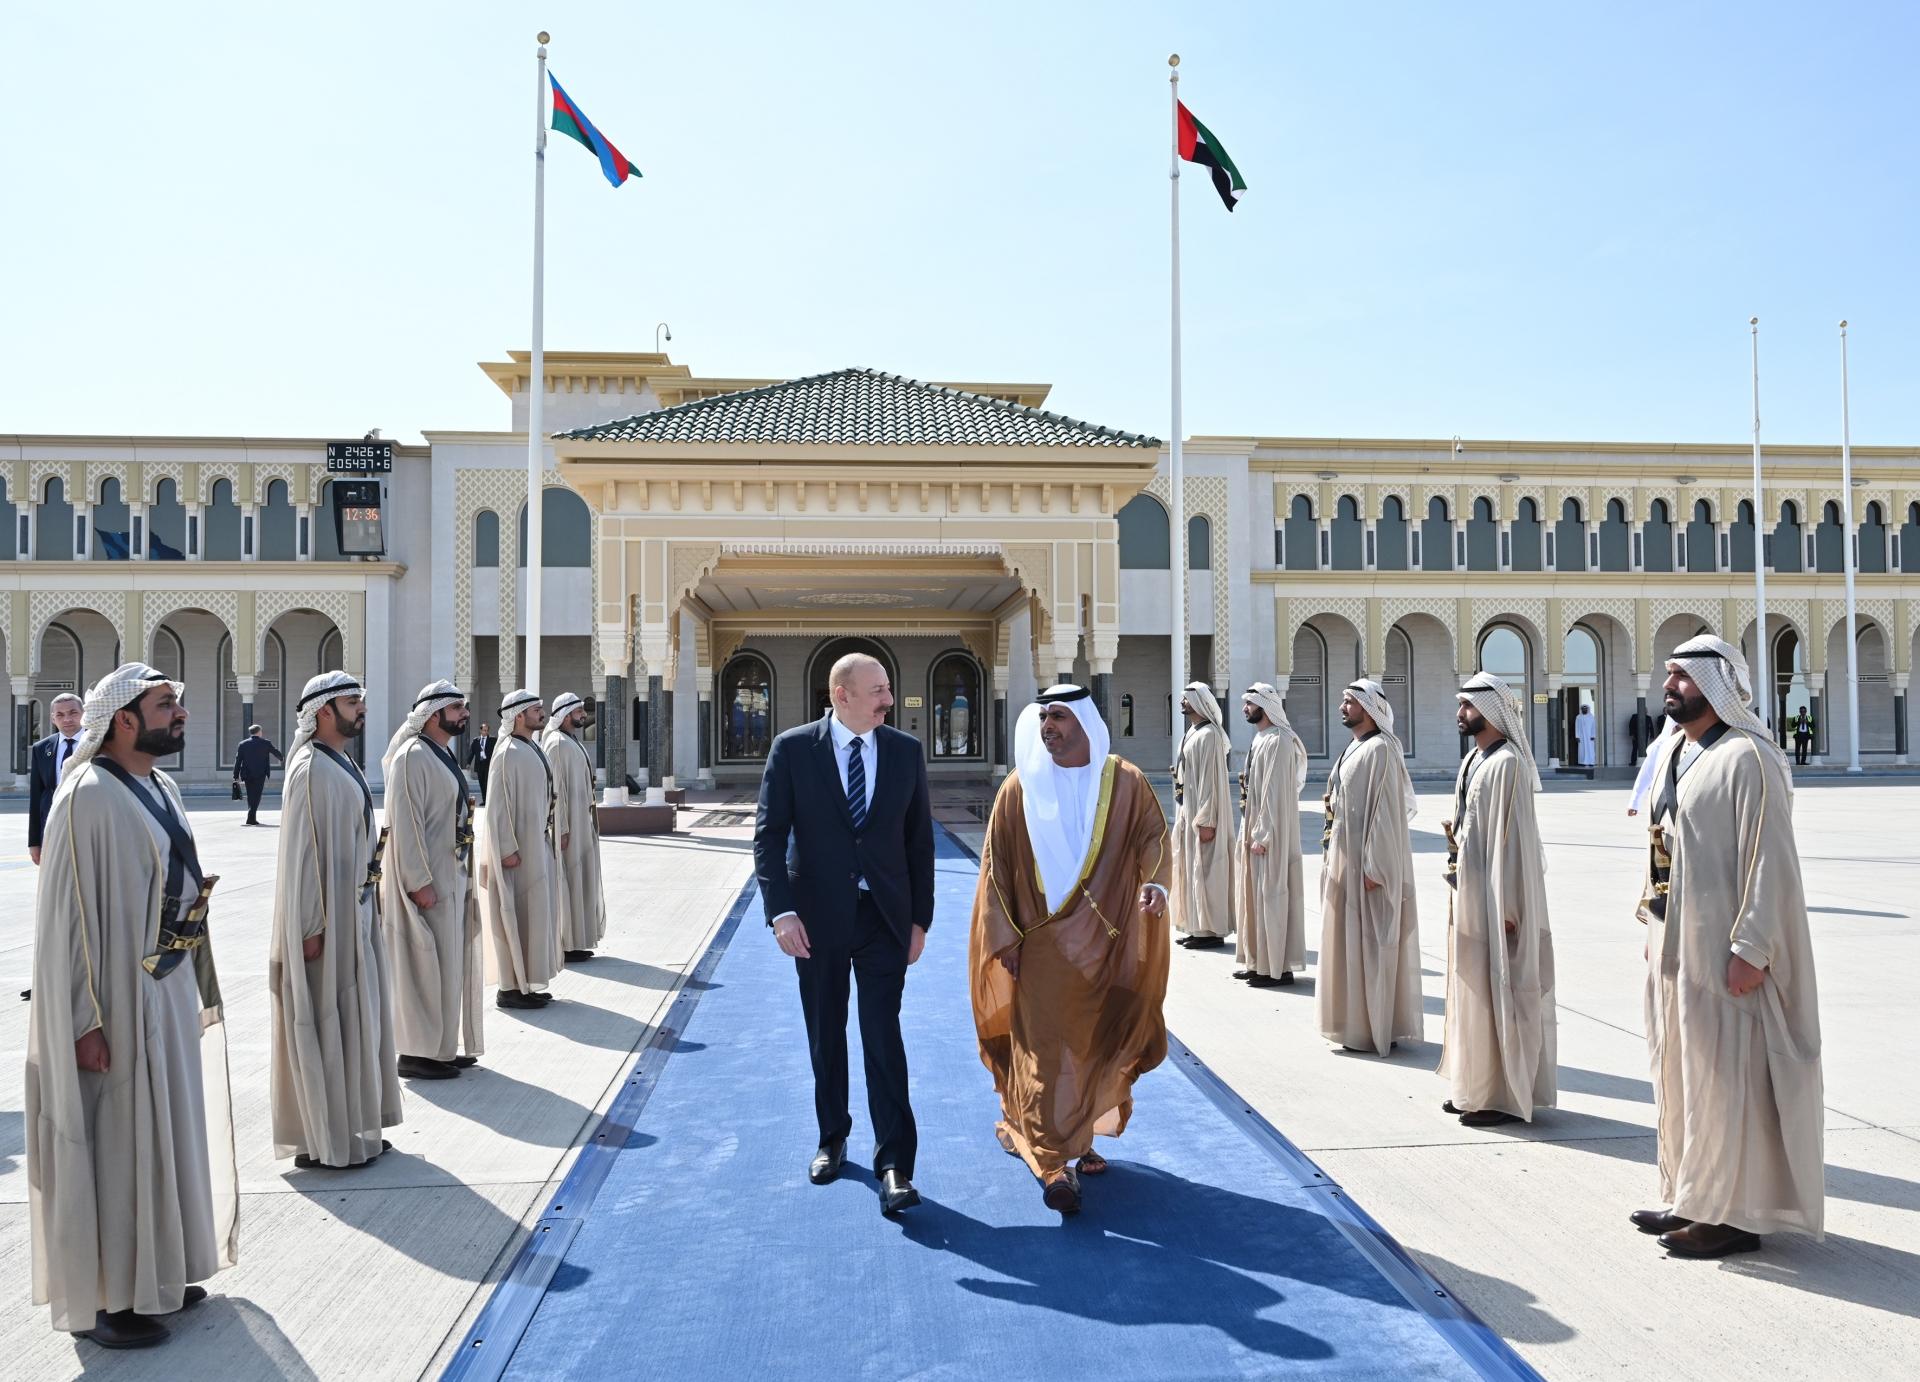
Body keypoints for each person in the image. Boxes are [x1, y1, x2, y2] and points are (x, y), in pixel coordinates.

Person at [25, 663, 238, 1348]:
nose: (180, 713)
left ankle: (160, 1271)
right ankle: (110, 1299)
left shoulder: (161, 786)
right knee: (117, 1142)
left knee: (165, 1132)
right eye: (165, 704)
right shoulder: (86, 794)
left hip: (163, 987)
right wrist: (83, 1020)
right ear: (123, 719)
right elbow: (68, 922)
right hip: (113, 1002)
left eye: (177, 702)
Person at [1633, 635, 1823, 1259]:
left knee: (1727, 1080)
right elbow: (1663, 843)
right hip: (1675, 942)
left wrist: (1753, 947)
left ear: (1719, 685)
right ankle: (1692, 1194)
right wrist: (1652, 915)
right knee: (1683, 1072)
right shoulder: (1677, 752)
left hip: (1725, 952)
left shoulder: (1749, 756)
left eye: (1683, 676)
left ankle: (1733, 1217)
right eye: (1669, 674)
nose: (1670, 685)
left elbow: (1772, 861)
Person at [969, 685, 1170, 1214]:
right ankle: (1053, 1162)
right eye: (1043, 718)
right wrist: (1005, 937)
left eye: (1058, 717)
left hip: (1107, 945)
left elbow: (1153, 836)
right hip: (1039, 944)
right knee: (1046, 1049)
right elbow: (995, 868)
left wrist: (1156, 882)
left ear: (1085, 722)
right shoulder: (1019, 788)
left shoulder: (1124, 782)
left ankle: (1080, 1136)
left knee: (1094, 1043)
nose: (1048, 727)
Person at [754, 652, 933, 1217]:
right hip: (815, 920)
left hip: (884, 919)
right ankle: (832, 1137)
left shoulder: (905, 751)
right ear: (841, 695)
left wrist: (920, 920)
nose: (888, 700)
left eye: (888, 688)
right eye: (878, 690)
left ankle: (895, 1164)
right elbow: (769, 835)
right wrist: (781, 913)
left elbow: (918, 843)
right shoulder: (792, 750)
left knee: (883, 1036)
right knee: (825, 1033)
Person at [267, 671, 401, 1170]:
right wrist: (309, 926)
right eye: (351, 702)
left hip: (354, 912)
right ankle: (324, 1139)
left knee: (355, 1021)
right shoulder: (310, 769)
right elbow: (302, 855)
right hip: (326, 925)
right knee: (326, 1022)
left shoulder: (336, 762)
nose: (361, 709)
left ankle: (350, 1127)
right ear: (323, 711)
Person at [1439, 672, 1557, 1127]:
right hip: (1471, 894)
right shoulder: (1476, 759)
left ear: (1490, 711)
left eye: (1468, 706)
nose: (1460, 713)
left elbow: (1515, 844)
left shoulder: (1508, 763)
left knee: (1499, 993)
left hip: (1496, 902)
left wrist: (1508, 907)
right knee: (1472, 988)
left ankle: (1499, 1095)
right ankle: (1474, 1084)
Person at [382, 680, 484, 1080]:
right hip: (428, 882)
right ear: (432, 715)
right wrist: (418, 881)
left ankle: (441, 1047)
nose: (464, 714)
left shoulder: (438, 753)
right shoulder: (412, 757)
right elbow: (406, 824)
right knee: (423, 967)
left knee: (447, 965)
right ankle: (416, 1053)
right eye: (456, 708)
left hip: (449, 875)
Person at [1318, 679, 1422, 1056]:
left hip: (1368, 865)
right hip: (1345, 855)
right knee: (1349, 945)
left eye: (1350, 701)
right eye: (1343, 701)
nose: (1343, 707)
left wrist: (1375, 866)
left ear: (1368, 707)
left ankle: (1377, 1026)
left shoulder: (1381, 749)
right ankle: (1354, 1023)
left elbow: (1387, 813)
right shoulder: (1355, 747)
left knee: (1372, 945)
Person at [476, 690, 564, 1010]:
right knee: (515, 917)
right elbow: (497, 807)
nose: (542, 713)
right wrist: (506, 848)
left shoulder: (530, 747)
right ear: (518, 716)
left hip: (535, 847)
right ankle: (510, 988)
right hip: (517, 854)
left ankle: (528, 983)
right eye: (536, 709)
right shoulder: (507, 752)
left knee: (534, 918)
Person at [1231, 683, 1306, 988]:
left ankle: (1277, 968)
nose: (1245, 708)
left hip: (1270, 834)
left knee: (1272, 895)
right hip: (1255, 827)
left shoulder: (1279, 740)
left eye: (1250, 703)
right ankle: (1258, 962)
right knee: (1255, 897)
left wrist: (1263, 834)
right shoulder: (1262, 738)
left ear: (1265, 706)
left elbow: (1274, 792)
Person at [542, 692, 607, 963]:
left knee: (581, 880)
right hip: (568, 828)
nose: (584, 715)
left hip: (582, 822)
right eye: (579, 711)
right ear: (566, 714)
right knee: (567, 881)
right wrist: (562, 828)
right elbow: (556, 790)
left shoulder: (570, 741)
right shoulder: (556, 744)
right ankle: (566, 943)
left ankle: (578, 939)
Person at [1170, 682, 1233, 950]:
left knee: (1207, 871)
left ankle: (1211, 931)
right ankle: (1195, 926)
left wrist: (1207, 820)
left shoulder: (1209, 735)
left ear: (1199, 702)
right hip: (1188, 809)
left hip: (1203, 815)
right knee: (1189, 868)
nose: (1182, 702)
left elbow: (1211, 782)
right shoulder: (1192, 733)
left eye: (1186, 699)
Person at [27, 691, 83, 865]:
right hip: (54, 825)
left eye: (73, 713)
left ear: (83, 714)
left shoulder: (99, 743)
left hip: (89, 822)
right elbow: (36, 797)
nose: (67, 719)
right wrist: (34, 842)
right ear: (53, 719)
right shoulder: (41, 748)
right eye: (60, 715)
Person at [231, 724, 284, 826]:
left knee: (251, 795)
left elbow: (238, 761)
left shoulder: (242, 744)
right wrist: (282, 758)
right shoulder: (266, 743)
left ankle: (252, 818)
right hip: (260, 773)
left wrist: (235, 776)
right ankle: (251, 817)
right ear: (259, 732)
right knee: (257, 796)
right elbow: (275, 752)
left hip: (247, 774)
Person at [467, 723, 495, 805]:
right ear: (480, 731)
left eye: (487, 730)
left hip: (488, 764)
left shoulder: (493, 740)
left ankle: (488, 801)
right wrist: (468, 763)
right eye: (484, 730)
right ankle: (484, 800)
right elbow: (472, 753)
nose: (485, 732)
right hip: (479, 765)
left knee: (487, 783)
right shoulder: (476, 741)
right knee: (482, 784)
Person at [1573, 703, 1597, 768]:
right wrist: (1577, 736)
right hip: (1581, 737)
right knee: (1582, 749)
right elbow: (1577, 727)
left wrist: (1593, 735)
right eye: (1583, 709)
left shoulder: (1591, 717)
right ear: (1581, 709)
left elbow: (1593, 727)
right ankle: (1583, 762)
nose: (1584, 710)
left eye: (1585, 709)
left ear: (1587, 709)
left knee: (1590, 749)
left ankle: (1591, 762)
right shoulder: (1578, 717)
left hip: (1589, 737)